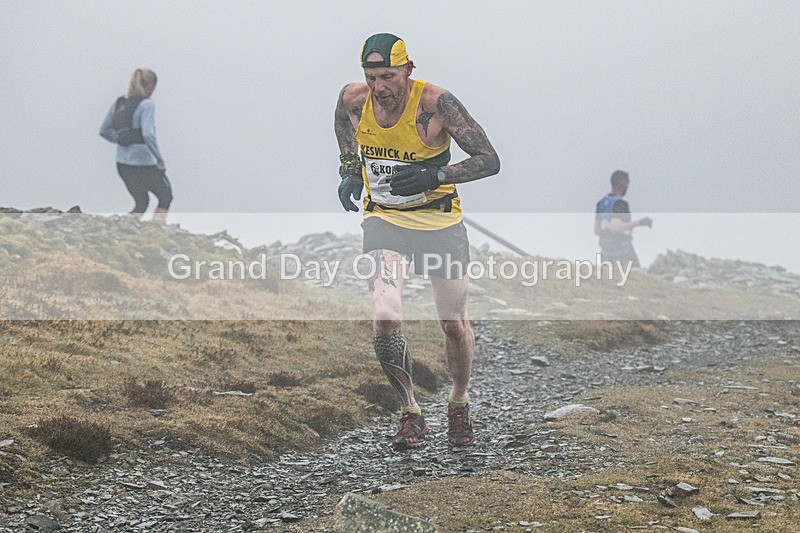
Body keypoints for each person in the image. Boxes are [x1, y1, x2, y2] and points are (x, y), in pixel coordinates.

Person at [334, 33, 500, 449]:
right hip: (384, 221)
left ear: (409, 69)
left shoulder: (436, 104)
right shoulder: (353, 100)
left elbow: (490, 161)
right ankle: (410, 412)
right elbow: (344, 129)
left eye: (388, 76)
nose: (380, 87)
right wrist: (350, 170)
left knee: (453, 324)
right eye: (372, 77)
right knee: (385, 317)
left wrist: (435, 175)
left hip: (439, 223)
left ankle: (458, 404)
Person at [100, 68, 172, 221]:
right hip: (143, 163)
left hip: (123, 165)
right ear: (150, 86)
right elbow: (148, 134)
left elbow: (104, 131)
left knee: (141, 202)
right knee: (165, 196)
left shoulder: (120, 102)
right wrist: (159, 160)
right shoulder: (146, 105)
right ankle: (156, 229)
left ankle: (124, 228)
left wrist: (120, 138)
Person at [594, 170, 652, 268]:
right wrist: (640, 222)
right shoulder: (620, 203)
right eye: (627, 184)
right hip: (623, 253)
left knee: (609, 281)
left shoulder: (601, 203)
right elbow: (616, 227)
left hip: (606, 254)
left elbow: (597, 230)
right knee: (637, 278)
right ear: (623, 183)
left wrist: (607, 236)